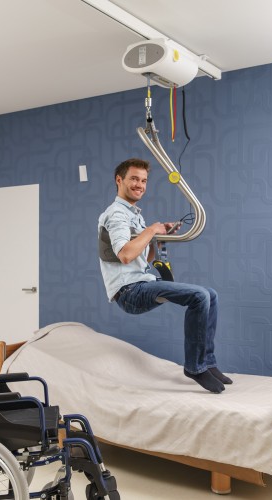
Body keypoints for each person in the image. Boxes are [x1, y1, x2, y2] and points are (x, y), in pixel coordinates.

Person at [98, 158, 232, 393]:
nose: (140, 184)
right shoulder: (117, 215)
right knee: (199, 296)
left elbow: (143, 260)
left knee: (211, 295)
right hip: (129, 292)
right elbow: (126, 255)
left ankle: (208, 363)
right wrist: (151, 230)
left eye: (143, 180)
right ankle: (195, 367)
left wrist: (158, 237)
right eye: (134, 179)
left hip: (141, 283)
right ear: (119, 180)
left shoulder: (133, 214)